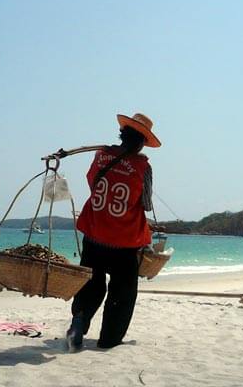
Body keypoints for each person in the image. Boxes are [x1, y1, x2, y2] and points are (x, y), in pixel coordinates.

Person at [66, 112, 161, 352]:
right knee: (122, 292)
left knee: (91, 284)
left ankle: (79, 320)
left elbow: (92, 183)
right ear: (141, 142)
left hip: (94, 234)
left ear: (122, 135)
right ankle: (109, 339)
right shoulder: (143, 167)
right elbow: (146, 203)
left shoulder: (101, 156)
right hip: (124, 242)